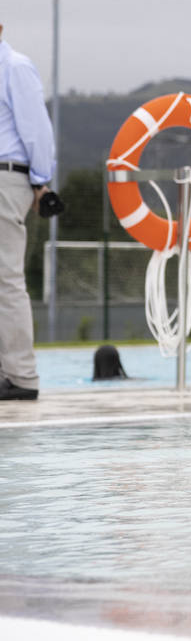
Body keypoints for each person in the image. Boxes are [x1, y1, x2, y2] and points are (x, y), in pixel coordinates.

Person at [0, 22, 56, 401]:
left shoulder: (15, 66)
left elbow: (36, 130)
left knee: (5, 276)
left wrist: (41, 181)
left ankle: (22, 376)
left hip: (6, 177)